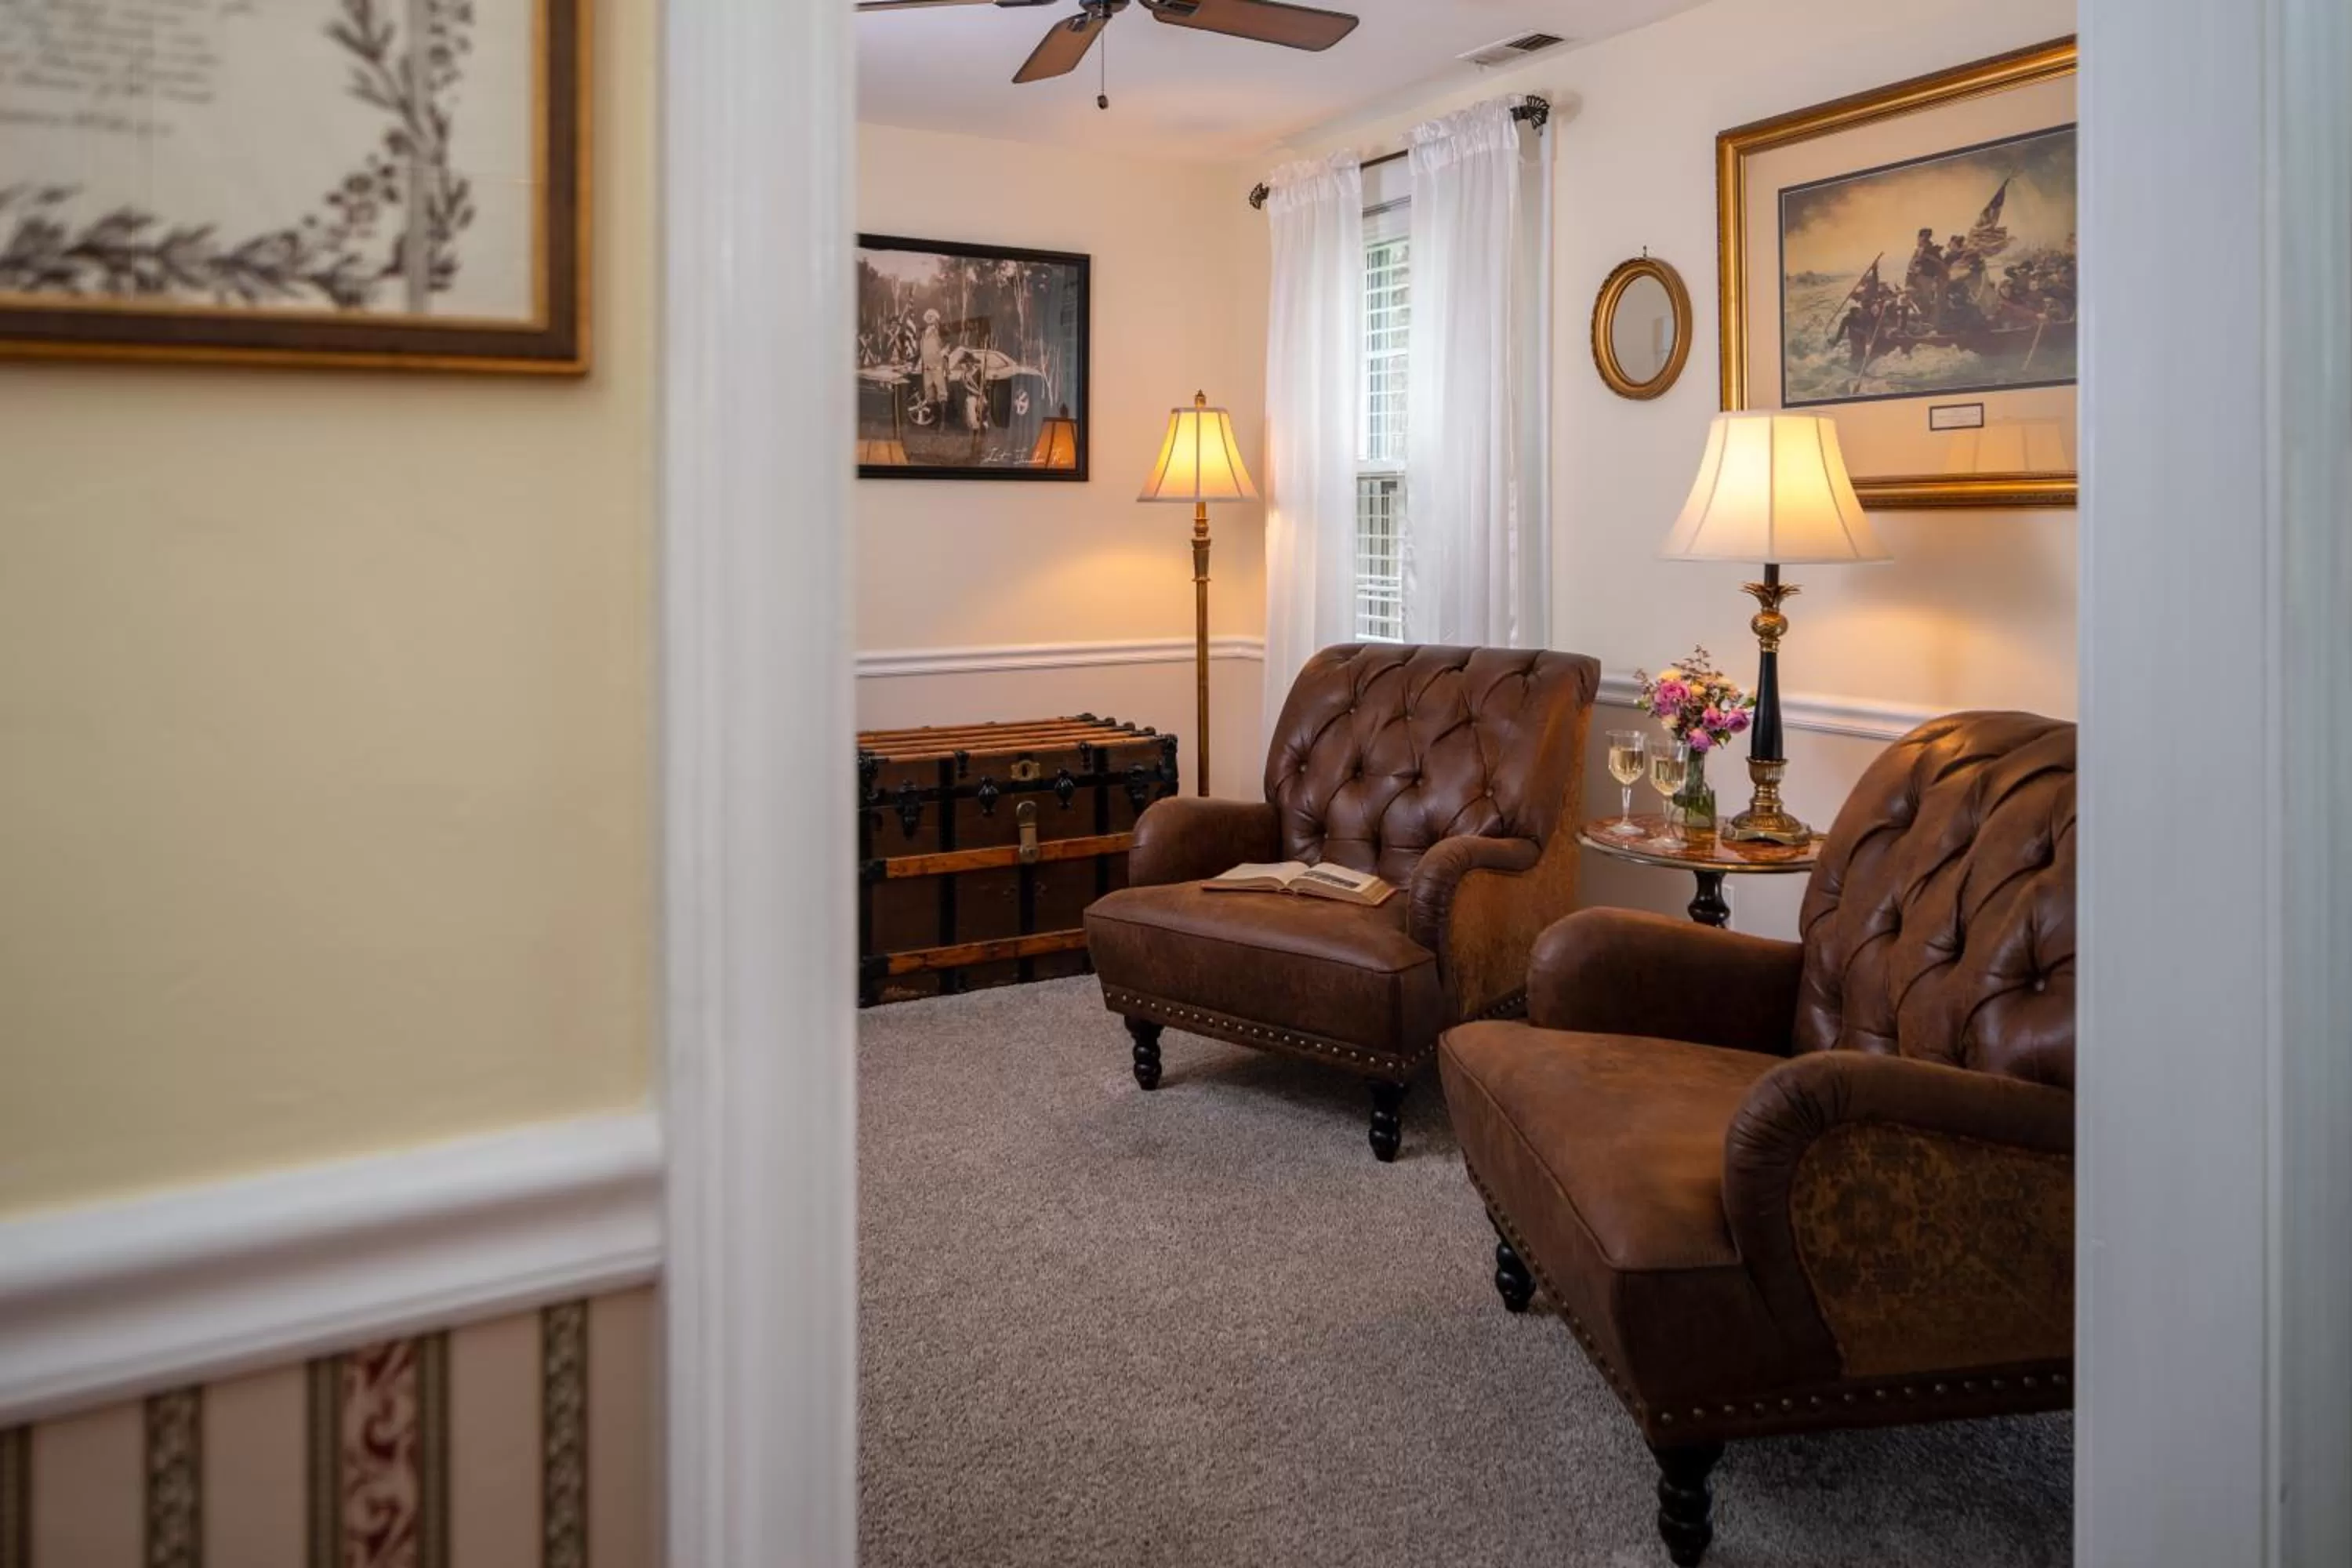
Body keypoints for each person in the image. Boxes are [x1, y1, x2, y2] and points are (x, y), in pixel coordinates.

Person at [918, 308, 948, 412]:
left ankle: (943, 422)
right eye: (928, 317)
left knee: (942, 393)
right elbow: (921, 350)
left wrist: (944, 355)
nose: (930, 319)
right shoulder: (923, 334)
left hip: (938, 367)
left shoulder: (939, 331)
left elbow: (947, 343)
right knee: (929, 393)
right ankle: (934, 418)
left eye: (932, 317)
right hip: (927, 367)